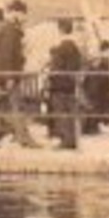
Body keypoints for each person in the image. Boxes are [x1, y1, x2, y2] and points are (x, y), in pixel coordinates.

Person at [0, 0, 41, 148]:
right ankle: (24, 139)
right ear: (16, 13)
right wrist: (9, 77)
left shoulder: (8, 29)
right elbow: (7, 55)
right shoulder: (10, 31)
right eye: (23, 14)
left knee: (4, 107)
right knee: (16, 107)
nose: (24, 18)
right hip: (9, 76)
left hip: (5, 75)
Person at [45, 19, 84, 149]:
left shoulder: (62, 47)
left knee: (61, 112)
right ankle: (71, 139)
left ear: (60, 29)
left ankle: (66, 140)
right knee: (69, 112)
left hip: (60, 84)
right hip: (70, 84)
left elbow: (56, 67)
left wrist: (49, 74)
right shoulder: (74, 46)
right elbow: (78, 64)